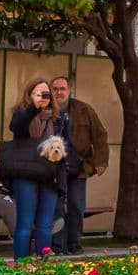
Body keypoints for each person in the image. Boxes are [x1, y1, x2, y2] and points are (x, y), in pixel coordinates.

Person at [0, 79, 60, 260]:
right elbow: (16, 127)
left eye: (46, 93)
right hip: (26, 173)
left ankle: (44, 266)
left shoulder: (56, 118)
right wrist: (34, 107)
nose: (43, 97)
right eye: (38, 93)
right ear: (30, 94)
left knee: (45, 225)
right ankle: (21, 266)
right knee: (24, 224)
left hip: (49, 174)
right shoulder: (22, 113)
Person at [48, 76, 108, 253]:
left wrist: (101, 161)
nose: (59, 92)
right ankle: (57, 246)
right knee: (56, 207)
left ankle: (74, 243)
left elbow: (100, 135)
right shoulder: (45, 110)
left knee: (76, 205)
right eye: (55, 89)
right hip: (52, 168)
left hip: (79, 166)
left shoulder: (84, 109)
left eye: (62, 88)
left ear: (69, 90)